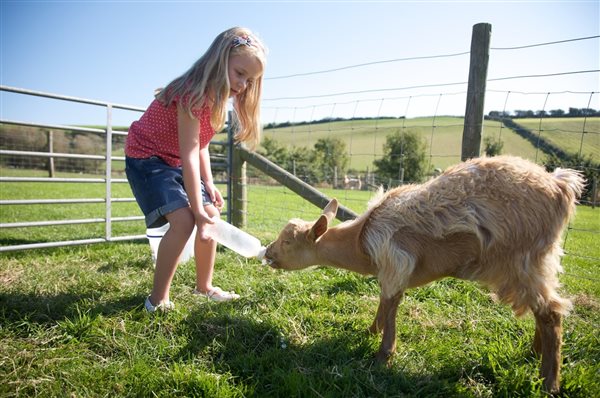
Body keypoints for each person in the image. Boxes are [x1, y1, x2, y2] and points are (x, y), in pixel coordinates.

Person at [125, 27, 267, 312]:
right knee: (185, 221)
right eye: (240, 73)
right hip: (148, 158)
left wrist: (209, 184)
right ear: (220, 59)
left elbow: (200, 145)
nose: (243, 84)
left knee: (211, 216)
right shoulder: (192, 94)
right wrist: (196, 211)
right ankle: (157, 300)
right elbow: (189, 151)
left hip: (176, 160)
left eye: (250, 80)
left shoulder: (216, 100)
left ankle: (204, 287)